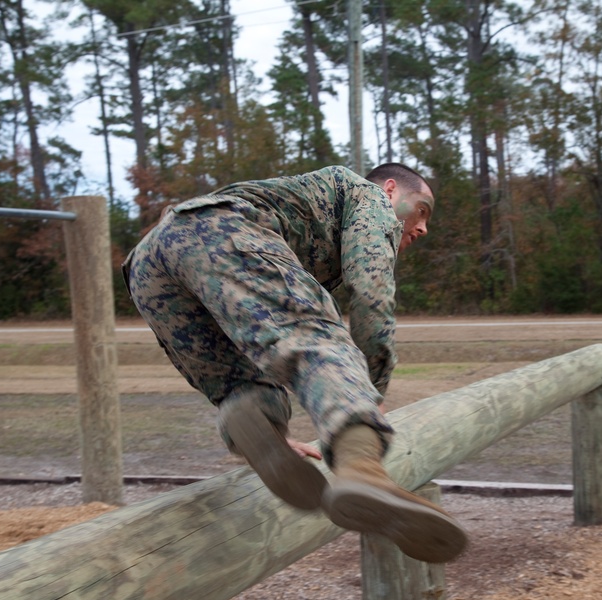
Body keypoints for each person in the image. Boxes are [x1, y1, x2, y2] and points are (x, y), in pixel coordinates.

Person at [122, 164, 467, 563]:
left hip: (149, 264)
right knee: (316, 336)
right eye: (422, 210)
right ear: (390, 190)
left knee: (239, 379)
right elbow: (370, 293)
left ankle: (254, 421)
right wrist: (370, 391)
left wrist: (269, 432)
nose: (423, 228)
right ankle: (362, 471)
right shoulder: (369, 198)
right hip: (221, 229)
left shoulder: (321, 213)